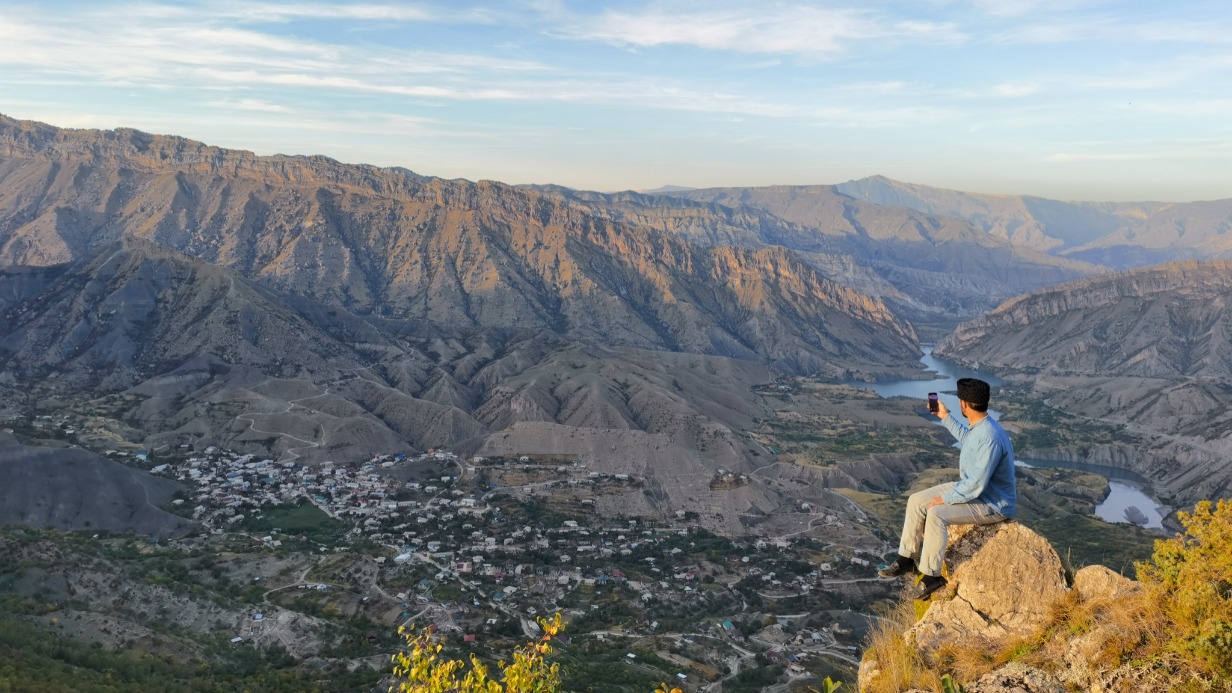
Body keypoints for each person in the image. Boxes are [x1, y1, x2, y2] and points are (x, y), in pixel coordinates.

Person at [877, 378, 1016, 599]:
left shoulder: (991, 437)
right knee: (915, 501)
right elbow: (967, 439)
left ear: (964, 404)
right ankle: (906, 559)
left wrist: (946, 499)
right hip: (972, 489)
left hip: (992, 502)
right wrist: (944, 416)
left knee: (936, 514)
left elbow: (976, 485)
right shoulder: (981, 427)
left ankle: (932, 577)